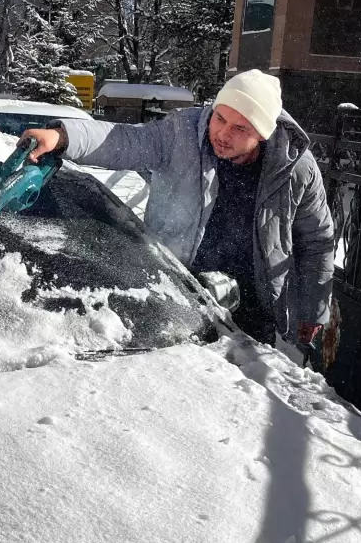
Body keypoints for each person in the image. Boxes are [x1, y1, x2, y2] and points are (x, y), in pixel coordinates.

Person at [22, 69, 334, 348]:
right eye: (220, 117)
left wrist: (314, 308)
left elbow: (317, 240)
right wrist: (62, 137)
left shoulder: (295, 169)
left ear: (263, 134)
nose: (223, 133)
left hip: (252, 306)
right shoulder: (181, 134)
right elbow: (123, 140)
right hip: (176, 292)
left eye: (241, 128)